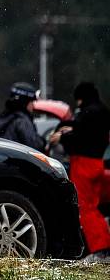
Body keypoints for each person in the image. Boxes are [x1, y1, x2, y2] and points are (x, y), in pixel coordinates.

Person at [48, 82, 110, 263]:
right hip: (97, 163)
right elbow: (90, 132)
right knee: (94, 207)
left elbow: (82, 138)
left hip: (83, 164)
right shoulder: (102, 111)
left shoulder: (87, 112)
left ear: (80, 97)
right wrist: (73, 129)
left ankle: (101, 250)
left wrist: (63, 136)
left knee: (86, 209)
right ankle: (103, 249)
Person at [0, 82, 45, 151]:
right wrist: (45, 142)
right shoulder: (21, 120)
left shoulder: (6, 117)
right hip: (19, 160)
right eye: (31, 102)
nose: (33, 106)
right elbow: (34, 145)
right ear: (24, 102)